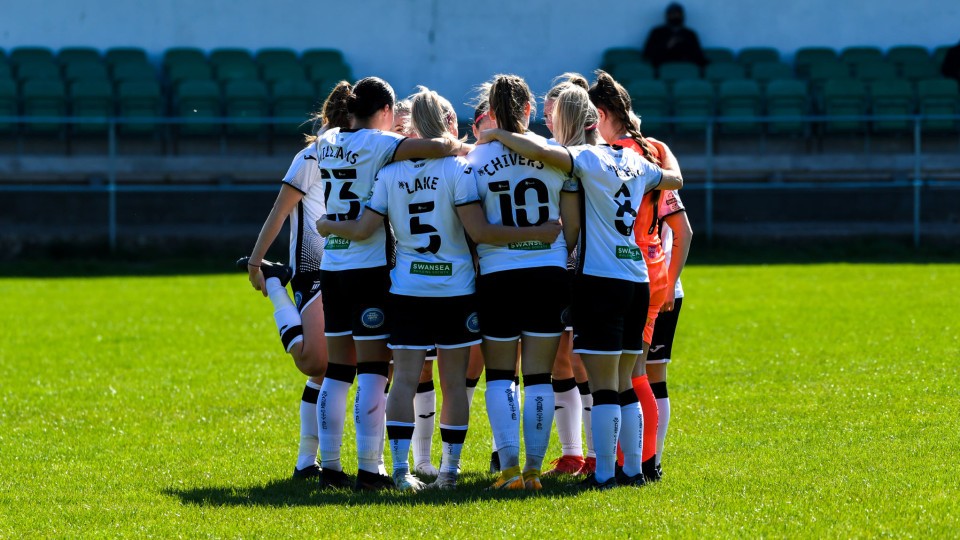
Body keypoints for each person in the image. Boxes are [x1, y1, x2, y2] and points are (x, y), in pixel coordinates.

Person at [317, 86, 560, 491]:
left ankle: (399, 470)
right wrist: (540, 233)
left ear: (411, 124)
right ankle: (449, 471)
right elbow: (478, 231)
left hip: (408, 288)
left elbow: (364, 228)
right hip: (455, 289)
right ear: (446, 124)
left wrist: (328, 225)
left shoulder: (389, 172)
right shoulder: (460, 170)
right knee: (453, 383)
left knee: (405, 379)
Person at [477, 83, 683, 489]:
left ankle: (605, 473)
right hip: (636, 278)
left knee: (605, 387)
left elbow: (540, 152)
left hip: (599, 280)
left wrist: (499, 134)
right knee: (626, 382)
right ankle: (633, 471)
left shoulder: (584, 159)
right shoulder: (634, 161)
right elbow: (674, 180)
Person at [312, 76, 470, 491]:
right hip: (370, 269)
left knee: (336, 370)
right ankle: (370, 468)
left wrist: (326, 223)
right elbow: (437, 147)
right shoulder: (381, 146)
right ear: (385, 112)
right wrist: (458, 143)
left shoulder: (326, 139)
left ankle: (329, 465)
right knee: (372, 371)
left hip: (333, 264)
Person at [237, 83, 353, 481]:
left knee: (341, 369)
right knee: (314, 361)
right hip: (314, 268)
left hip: (357, 267)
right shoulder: (310, 155)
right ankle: (275, 282)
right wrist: (256, 263)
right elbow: (280, 210)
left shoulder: (366, 154)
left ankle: (309, 464)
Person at [468, 74, 578, 491]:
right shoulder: (555, 156)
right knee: (538, 377)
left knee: (500, 376)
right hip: (548, 274)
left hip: (497, 275)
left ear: (490, 113)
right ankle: (533, 471)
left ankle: (510, 470)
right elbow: (572, 228)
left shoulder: (474, 162)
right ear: (530, 109)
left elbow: (470, 228)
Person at [589, 70, 682, 481]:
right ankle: (646, 461)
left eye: (594, 118)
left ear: (604, 113)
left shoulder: (610, 153)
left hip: (625, 265)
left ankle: (637, 462)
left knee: (629, 376)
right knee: (639, 371)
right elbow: (676, 184)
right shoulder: (656, 149)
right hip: (656, 266)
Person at [541, 74, 595, 478]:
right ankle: (572, 453)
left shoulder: (585, 157)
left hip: (586, 267)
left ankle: (596, 454)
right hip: (561, 268)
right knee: (561, 360)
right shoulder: (554, 153)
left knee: (583, 361)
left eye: (551, 114)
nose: (546, 122)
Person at [646, 189, 692, 477]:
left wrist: (669, 282)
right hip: (633, 284)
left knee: (647, 377)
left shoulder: (652, 172)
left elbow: (683, 232)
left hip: (651, 288)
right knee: (642, 378)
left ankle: (650, 462)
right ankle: (643, 462)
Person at [642, 2, 708, 68]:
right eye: (672, 14)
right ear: (667, 15)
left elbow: (699, 55)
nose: (675, 16)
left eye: (678, 14)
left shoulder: (690, 34)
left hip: (686, 67)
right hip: (662, 66)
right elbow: (647, 54)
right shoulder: (657, 32)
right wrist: (667, 45)